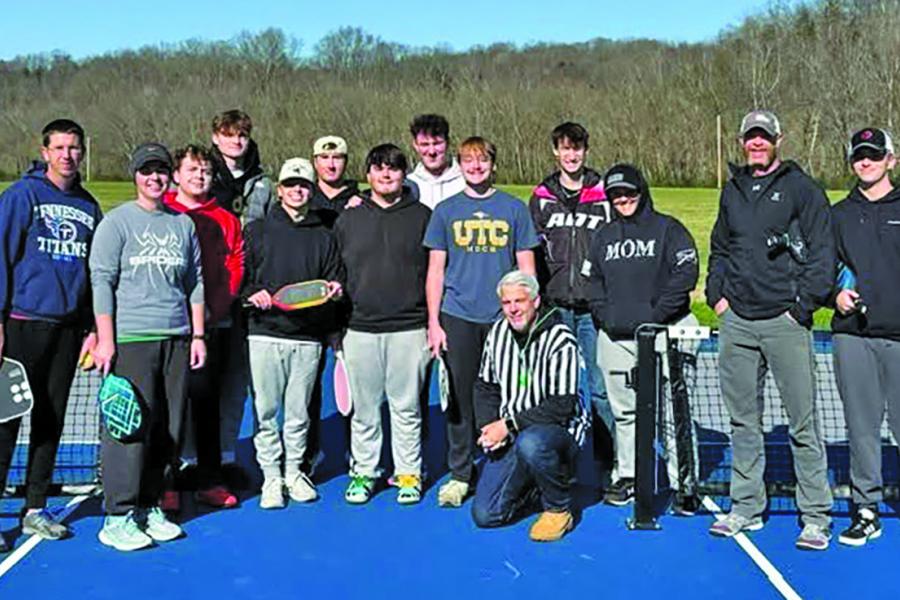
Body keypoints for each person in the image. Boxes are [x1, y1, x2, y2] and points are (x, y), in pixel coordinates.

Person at [706, 110, 835, 550]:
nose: (756, 144)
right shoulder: (732, 191)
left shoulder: (802, 189)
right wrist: (716, 296)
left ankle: (815, 515)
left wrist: (802, 308)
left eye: (764, 137)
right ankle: (745, 507)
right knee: (743, 421)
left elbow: (823, 251)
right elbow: (720, 247)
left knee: (803, 423)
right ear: (743, 142)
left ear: (778, 138)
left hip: (785, 321)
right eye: (750, 138)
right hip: (737, 321)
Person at [90, 143, 206, 552]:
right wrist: (105, 339)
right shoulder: (117, 223)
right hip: (131, 341)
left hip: (176, 338)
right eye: (146, 171)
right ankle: (118, 515)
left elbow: (194, 283)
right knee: (129, 428)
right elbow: (101, 281)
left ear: (169, 176)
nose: (154, 178)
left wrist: (197, 335)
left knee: (168, 428)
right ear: (135, 176)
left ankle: (150, 504)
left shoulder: (183, 225)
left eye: (160, 171)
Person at [0, 119, 101, 551]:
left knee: (50, 420)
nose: (67, 155)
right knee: (5, 420)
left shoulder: (89, 206)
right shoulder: (22, 196)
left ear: (82, 152)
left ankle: (35, 508)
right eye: (58, 147)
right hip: (21, 325)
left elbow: (97, 274)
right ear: (44, 152)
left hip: (67, 331)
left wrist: (93, 327)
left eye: (74, 147)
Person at [424, 136, 539, 507]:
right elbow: (435, 271)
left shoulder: (514, 209)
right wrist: (434, 322)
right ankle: (460, 473)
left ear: (493, 164)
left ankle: (502, 463)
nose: (476, 167)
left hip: (503, 317)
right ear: (460, 165)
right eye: (469, 161)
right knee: (459, 396)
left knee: (506, 395)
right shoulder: (445, 210)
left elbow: (526, 267)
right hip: (458, 315)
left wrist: (528, 312)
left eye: (483, 161)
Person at [584, 163, 701, 513]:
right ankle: (630, 477)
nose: (623, 199)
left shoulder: (669, 229)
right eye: (616, 194)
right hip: (617, 338)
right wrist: (607, 316)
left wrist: (652, 316)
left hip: (666, 332)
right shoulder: (604, 236)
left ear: (642, 191)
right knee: (625, 412)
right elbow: (592, 282)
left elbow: (685, 273)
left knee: (673, 412)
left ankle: (684, 486)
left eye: (629, 192)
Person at [242, 158, 343, 509]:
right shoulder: (256, 231)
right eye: (290, 185)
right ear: (280, 190)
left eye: (303, 185)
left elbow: (333, 277)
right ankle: (271, 477)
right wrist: (251, 294)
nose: (297, 190)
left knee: (299, 413)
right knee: (266, 411)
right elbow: (242, 279)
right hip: (264, 335)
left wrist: (335, 290)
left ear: (311, 191)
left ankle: (294, 472)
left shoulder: (324, 236)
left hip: (307, 339)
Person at [334, 144, 431, 505]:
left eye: (393, 169)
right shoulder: (348, 219)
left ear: (404, 174)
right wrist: (336, 330)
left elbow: (436, 272)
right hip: (359, 328)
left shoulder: (423, 216)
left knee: (406, 408)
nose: (386, 175)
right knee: (365, 409)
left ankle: (409, 473)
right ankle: (364, 471)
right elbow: (337, 275)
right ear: (368, 174)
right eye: (378, 169)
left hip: (410, 327)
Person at [471, 270, 588, 542]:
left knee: (532, 443)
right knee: (486, 515)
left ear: (535, 301)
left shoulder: (560, 339)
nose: (513, 309)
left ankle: (558, 508)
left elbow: (562, 406)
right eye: (506, 303)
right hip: (516, 432)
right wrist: (489, 426)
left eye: (519, 301)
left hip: (557, 431)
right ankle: (536, 484)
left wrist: (507, 425)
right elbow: (485, 385)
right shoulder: (497, 332)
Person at [529, 121, 615, 470]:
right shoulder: (540, 197)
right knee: (556, 388)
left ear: (585, 150)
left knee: (599, 389)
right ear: (555, 152)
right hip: (554, 308)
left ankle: (609, 463)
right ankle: (557, 461)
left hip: (592, 309)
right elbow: (529, 251)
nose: (571, 155)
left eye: (577, 148)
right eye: (565, 148)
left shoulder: (604, 191)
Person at [163, 145, 244, 510]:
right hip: (163, 327)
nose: (199, 176)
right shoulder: (160, 211)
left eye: (205, 172)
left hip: (210, 326)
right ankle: (165, 482)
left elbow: (236, 264)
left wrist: (217, 308)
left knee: (206, 403)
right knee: (166, 407)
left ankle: (209, 480)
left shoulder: (226, 219)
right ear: (177, 175)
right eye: (192, 170)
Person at [830, 127, 900, 546]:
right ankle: (867, 508)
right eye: (859, 156)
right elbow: (822, 269)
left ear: (891, 159)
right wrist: (833, 294)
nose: (866, 161)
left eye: (874, 155)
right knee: (862, 428)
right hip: (852, 336)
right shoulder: (837, 214)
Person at [209, 109, 275, 223]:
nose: (236, 141)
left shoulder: (263, 182)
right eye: (229, 135)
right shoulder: (204, 178)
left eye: (242, 136)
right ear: (215, 138)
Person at [406, 114, 465, 210]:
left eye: (437, 143)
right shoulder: (407, 187)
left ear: (448, 142)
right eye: (425, 144)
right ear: (415, 145)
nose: (432, 151)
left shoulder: (466, 183)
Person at [309, 135, 361, 228]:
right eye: (324, 157)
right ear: (315, 162)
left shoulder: (360, 201)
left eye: (337, 158)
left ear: (346, 162)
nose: (331, 165)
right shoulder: (305, 199)